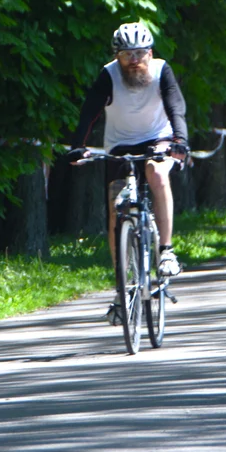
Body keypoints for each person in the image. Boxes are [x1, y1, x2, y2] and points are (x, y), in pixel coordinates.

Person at [66, 22, 189, 325]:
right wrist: (78, 145)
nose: (134, 60)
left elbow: (176, 107)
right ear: (117, 56)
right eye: (126, 55)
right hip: (119, 145)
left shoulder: (161, 71)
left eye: (139, 53)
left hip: (159, 140)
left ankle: (166, 251)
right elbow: (89, 111)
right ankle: (123, 289)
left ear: (150, 52)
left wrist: (180, 141)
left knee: (156, 174)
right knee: (115, 211)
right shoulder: (109, 75)